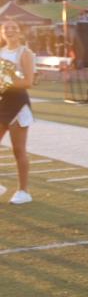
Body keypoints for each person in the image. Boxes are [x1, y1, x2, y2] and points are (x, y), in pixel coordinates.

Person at [0, 21, 35, 204]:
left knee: (18, 149)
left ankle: (23, 191)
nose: (10, 30)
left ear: (19, 32)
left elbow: (28, 82)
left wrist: (4, 82)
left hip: (18, 104)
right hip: (2, 102)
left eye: (14, 27)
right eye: (6, 28)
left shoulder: (25, 53)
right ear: (2, 32)